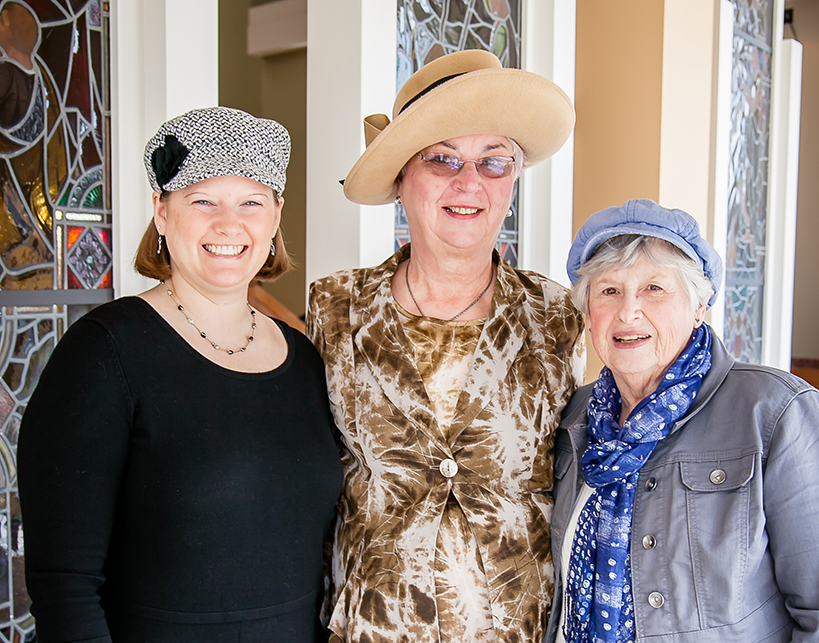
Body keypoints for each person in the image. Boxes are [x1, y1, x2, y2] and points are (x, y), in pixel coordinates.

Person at [18, 106, 343, 643]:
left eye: (251, 203)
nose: (229, 224)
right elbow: (65, 588)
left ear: (276, 216)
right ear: (162, 213)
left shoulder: (305, 359)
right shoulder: (104, 354)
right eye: (203, 201)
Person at [307, 50, 585, 643]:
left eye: (494, 162)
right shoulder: (333, 310)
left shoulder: (559, 317)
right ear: (402, 178)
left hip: (518, 629)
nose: (469, 182)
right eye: (443, 159)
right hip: (371, 626)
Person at [547, 198, 819, 643]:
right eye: (609, 291)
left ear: (699, 306)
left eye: (655, 289)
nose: (628, 312)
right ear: (588, 315)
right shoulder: (572, 420)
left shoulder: (773, 411)